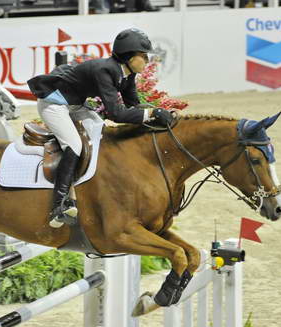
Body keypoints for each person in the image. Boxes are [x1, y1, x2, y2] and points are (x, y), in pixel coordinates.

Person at [27, 28, 174, 229]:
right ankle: (59, 205)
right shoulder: (106, 70)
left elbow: (132, 105)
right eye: (143, 56)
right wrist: (152, 114)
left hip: (75, 105)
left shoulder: (128, 74)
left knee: (99, 131)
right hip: (54, 105)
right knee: (74, 145)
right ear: (129, 56)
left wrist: (158, 112)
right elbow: (116, 114)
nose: (147, 61)